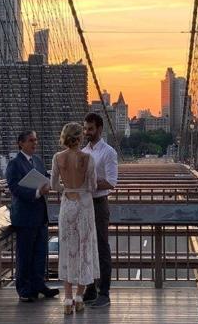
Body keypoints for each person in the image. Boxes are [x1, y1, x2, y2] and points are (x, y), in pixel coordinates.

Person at [50, 122, 100, 315]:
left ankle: (67, 298)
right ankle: (80, 297)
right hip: (84, 205)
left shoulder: (57, 158)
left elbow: (54, 185)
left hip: (67, 206)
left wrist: (66, 189)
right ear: (80, 138)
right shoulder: (88, 158)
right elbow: (93, 186)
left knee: (67, 250)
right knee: (84, 249)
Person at [6, 131, 59, 302]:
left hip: (40, 216)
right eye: (31, 141)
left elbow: (46, 177)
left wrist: (51, 182)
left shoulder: (37, 161)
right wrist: (37, 192)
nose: (35, 143)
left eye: (36, 140)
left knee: (39, 254)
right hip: (25, 217)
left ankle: (38, 285)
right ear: (20, 143)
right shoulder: (14, 164)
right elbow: (14, 188)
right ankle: (24, 290)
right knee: (25, 255)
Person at [81, 112, 118, 308]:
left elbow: (111, 182)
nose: (87, 132)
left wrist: (90, 184)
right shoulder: (83, 152)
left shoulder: (109, 152)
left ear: (100, 129)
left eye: (91, 129)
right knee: (86, 248)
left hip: (99, 204)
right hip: (84, 204)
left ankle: (104, 293)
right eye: (85, 128)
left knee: (102, 247)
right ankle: (90, 289)